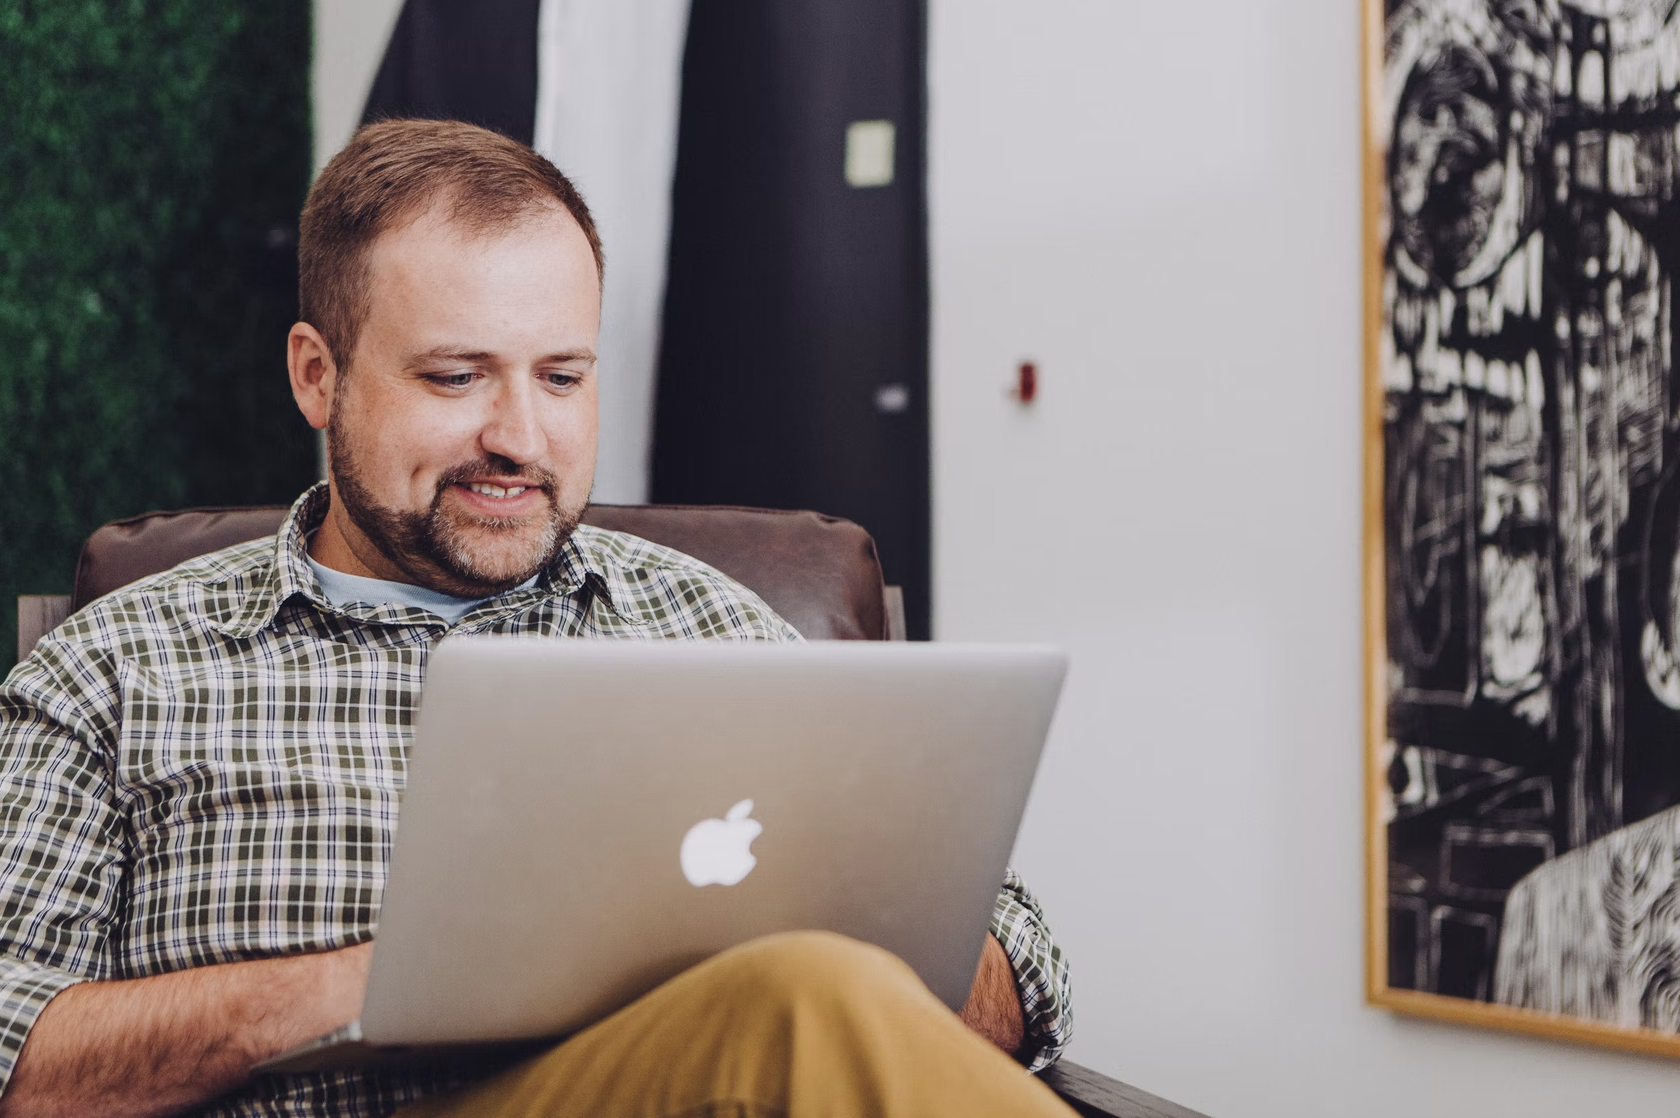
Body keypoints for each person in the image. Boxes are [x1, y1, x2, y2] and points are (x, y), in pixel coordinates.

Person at [0, 119, 1073, 1118]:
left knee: (804, 988)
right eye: (458, 375)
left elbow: (1022, 963)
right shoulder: (118, 666)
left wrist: (767, 938)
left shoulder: (707, 626)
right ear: (317, 375)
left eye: (562, 375)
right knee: (801, 997)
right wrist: (382, 981)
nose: (520, 433)